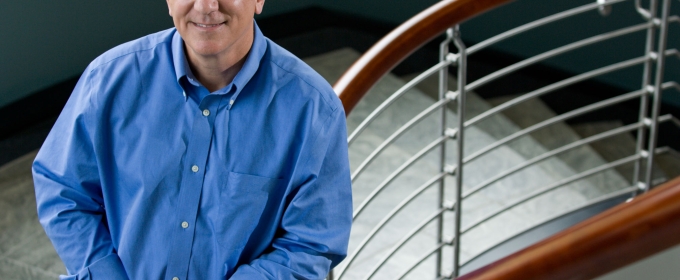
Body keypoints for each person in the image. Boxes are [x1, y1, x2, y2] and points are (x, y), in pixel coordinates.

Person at [32, 0, 353, 279]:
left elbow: (311, 243)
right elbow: (63, 191)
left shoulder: (313, 108)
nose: (206, 6)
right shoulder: (107, 80)